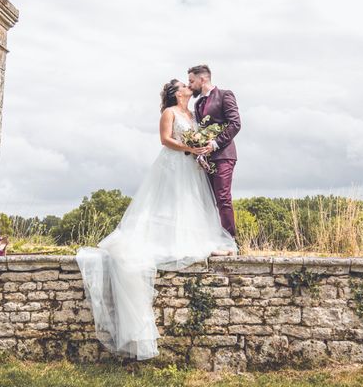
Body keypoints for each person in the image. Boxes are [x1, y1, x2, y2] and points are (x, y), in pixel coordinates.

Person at [75, 79, 238, 361]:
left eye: (189, 84)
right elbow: (165, 140)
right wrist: (190, 149)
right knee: (170, 203)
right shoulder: (170, 112)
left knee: (190, 204)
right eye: (183, 85)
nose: (189, 87)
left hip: (191, 166)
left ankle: (190, 239)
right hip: (174, 165)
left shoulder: (193, 113)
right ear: (177, 93)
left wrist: (199, 150)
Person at [188, 65, 241, 237]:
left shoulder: (225, 95)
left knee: (223, 198)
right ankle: (212, 239)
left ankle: (230, 241)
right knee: (208, 199)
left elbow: (235, 124)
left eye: (191, 81)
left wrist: (215, 143)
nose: (189, 85)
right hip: (205, 159)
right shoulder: (197, 104)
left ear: (202, 79)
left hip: (224, 155)